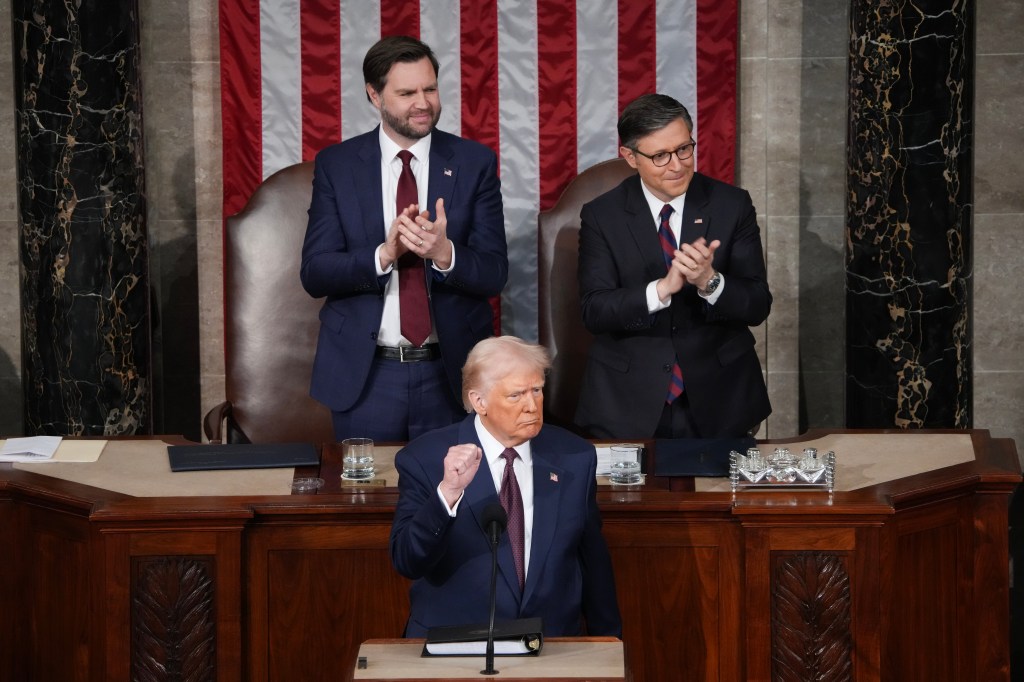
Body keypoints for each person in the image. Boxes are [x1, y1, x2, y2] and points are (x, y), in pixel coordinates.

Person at [301, 35, 508, 442]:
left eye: (430, 89)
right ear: (374, 95)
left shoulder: (473, 162)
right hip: (367, 377)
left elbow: (494, 273)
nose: (423, 102)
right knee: (367, 502)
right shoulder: (337, 166)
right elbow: (315, 272)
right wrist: (385, 253)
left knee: (456, 500)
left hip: (451, 375)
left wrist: (444, 253)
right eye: (407, 92)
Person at [390, 336, 622, 638]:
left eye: (536, 390)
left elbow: (592, 559)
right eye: (516, 395)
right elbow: (407, 560)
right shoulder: (425, 459)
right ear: (479, 401)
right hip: (455, 643)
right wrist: (447, 493)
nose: (532, 406)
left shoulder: (575, 456)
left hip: (550, 644)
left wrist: (608, 641)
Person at [576, 93, 771, 440]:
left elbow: (757, 304)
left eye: (684, 149)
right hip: (627, 401)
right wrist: (661, 290)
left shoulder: (732, 205)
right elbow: (595, 310)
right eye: (660, 156)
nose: (677, 165)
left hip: (720, 398)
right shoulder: (601, 216)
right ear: (630, 157)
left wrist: (710, 281)